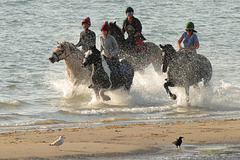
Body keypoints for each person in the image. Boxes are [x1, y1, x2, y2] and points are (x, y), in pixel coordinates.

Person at [100, 21, 124, 85]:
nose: (104, 32)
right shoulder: (101, 38)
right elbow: (101, 47)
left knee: (117, 67)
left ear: (107, 31)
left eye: (105, 31)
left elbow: (116, 47)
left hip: (113, 56)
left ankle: (121, 80)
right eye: (102, 31)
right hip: (105, 56)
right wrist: (99, 53)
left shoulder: (111, 38)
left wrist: (112, 54)